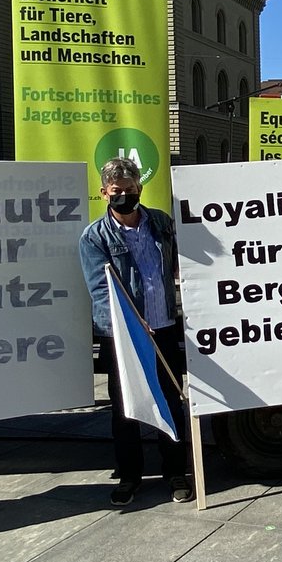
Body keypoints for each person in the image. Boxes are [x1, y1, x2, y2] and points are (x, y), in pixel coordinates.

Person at [79, 157, 192, 506]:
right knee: (126, 407)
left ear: (139, 188)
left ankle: (176, 472)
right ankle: (130, 476)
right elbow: (101, 291)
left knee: (171, 400)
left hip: (164, 328)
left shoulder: (160, 223)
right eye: (117, 190)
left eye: (130, 189)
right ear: (104, 193)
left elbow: (178, 263)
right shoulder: (94, 237)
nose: (124, 195)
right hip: (125, 337)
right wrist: (128, 322)